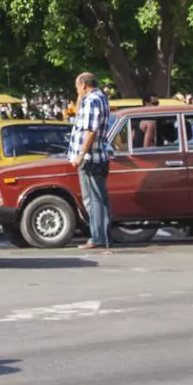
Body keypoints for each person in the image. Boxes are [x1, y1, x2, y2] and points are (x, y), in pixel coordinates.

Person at [67, 72, 113, 251]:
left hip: (91, 158)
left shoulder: (93, 101)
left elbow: (90, 131)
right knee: (99, 198)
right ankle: (103, 236)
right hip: (96, 156)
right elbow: (80, 115)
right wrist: (79, 96)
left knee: (93, 199)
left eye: (77, 87)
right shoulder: (98, 98)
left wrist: (80, 155)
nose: (77, 90)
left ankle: (98, 237)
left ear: (84, 85)